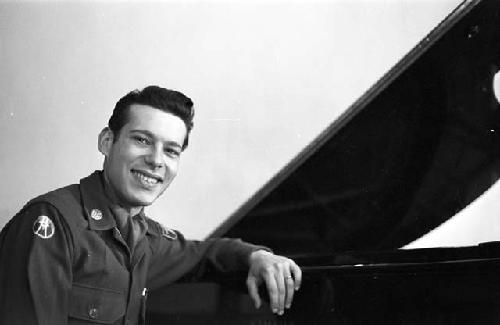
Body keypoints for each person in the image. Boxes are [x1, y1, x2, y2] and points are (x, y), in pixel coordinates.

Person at [0, 86, 302, 325]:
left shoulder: (144, 239)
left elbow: (204, 254)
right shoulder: (52, 223)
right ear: (107, 141)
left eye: (171, 150)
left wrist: (257, 256)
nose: (156, 160)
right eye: (143, 140)